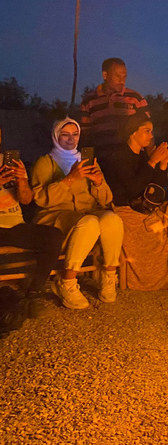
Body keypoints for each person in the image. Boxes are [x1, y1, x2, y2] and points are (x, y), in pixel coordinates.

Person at [31, 118, 123, 309]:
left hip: (85, 213)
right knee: (88, 222)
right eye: (65, 134)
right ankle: (66, 282)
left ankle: (108, 276)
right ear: (56, 136)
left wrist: (98, 182)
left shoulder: (87, 161)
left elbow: (106, 199)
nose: (70, 139)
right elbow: (41, 199)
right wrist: (70, 179)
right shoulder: (45, 162)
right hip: (55, 216)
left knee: (112, 219)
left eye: (75, 134)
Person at [103, 112, 168, 290]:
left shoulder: (142, 157)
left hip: (144, 207)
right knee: (156, 230)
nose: (151, 135)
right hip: (127, 210)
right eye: (146, 131)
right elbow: (133, 188)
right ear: (133, 132)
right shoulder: (119, 156)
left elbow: (155, 189)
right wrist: (153, 161)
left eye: (151, 131)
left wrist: (162, 164)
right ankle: (153, 280)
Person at [0, 152, 64, 311]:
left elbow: (26, 200)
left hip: (16, 225)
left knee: (53, 236)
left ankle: (35, 291)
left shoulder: (11, 162)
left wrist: (22, 181)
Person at [80, 58, 149, 154]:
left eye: (124, 77)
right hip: (101, 158)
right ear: (105, 75)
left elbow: (148, 130)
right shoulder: (89, 101)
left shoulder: (136, 98)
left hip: (131, 159)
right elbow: (85, 134)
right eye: (117, 76)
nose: (122, 81)